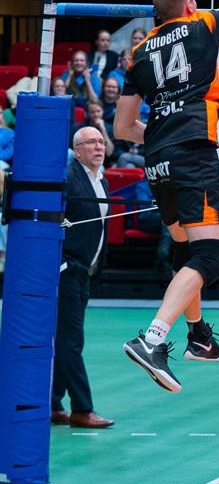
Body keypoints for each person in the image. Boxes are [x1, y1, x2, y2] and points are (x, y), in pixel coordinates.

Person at [118, 0, 219, 391]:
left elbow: (122, 127)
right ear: (190, 5)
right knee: (211, 256)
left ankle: (199, 337)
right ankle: (152, 340)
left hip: (157, 160)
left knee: (185, 250)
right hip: (192, 153)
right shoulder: (201, 23)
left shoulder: (138, 53)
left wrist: (160, 135)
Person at [52, 126, 114, 428]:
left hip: (84, 272)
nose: (99, 147)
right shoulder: (68, 177)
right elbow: (53, 221)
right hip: (67, 270)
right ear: (77, 151)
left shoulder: (101, 180)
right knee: (71, 340)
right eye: (91, 142)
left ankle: (52, 403)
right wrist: (63, 261)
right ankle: (81, 408)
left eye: (101, 142)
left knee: (68, 339)